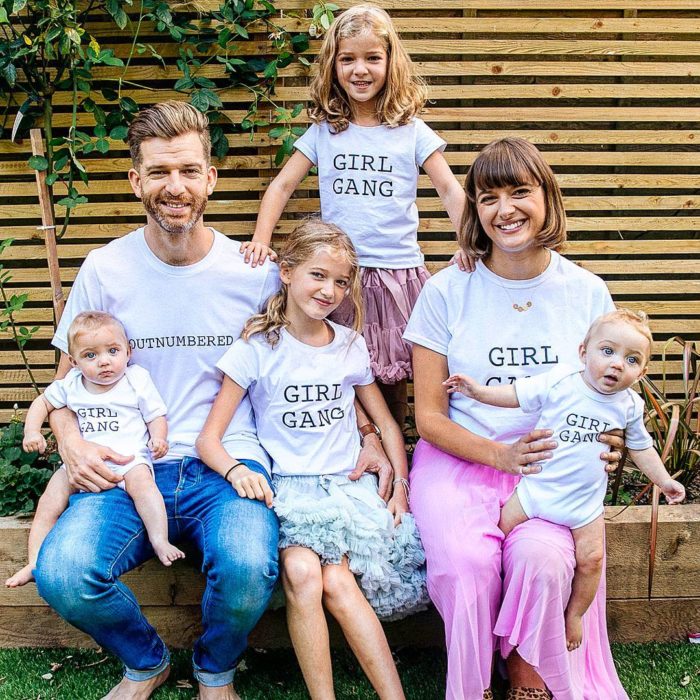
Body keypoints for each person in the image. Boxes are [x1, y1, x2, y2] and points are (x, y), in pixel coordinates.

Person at [31, 102, 388, 700]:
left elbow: (314, 357)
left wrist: (369, 434)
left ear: (211, 179)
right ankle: (146, 663)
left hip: (230, 466)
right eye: (161, 172)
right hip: (125, 470)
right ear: (136, 180)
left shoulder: (255, 272)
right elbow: (64, 381)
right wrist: (68, 440)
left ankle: (216, 670)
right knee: (64, 574)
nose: (176, 187)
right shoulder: (105, 269)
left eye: (190, 171)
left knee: (250, 567)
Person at [403, 136, 629, 700]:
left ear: (547, 198)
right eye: (488, 197)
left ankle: (530, 674)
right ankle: (475, 684)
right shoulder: (445, 291)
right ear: (474, 210)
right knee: (467, 564)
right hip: (459, 456)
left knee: (542, 556)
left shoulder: (586, 292)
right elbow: (429, 416)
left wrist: (612, 443)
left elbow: (607, 397)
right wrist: (500, 455)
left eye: (519, 192)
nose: (505, 209)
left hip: (552, 464)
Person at [198, 221, 427, 700]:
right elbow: (209, 440)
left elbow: (385, 423)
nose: (330, 291)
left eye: (341, 282)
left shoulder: (348, 345)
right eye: (318, 276)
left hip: (345, 487)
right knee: (302, 572)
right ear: (286, 272)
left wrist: (401, 484)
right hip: (291, 490)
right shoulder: (257, 348)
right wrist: (236, 471)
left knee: (338, 582)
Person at [241, 4, 465, 428]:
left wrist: (470, 244)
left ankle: (398, 451)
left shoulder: (411, 131)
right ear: (333, 66)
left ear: (390, 62)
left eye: (372, 58)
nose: (360, 70)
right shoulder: (326, 131)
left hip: (398, 274)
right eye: (348, 59)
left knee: (395, 372)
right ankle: (354, 446)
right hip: (342, 275)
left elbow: (450, 188)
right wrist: (261, 239)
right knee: (340, 364)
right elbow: (282, 185)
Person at [444, 308, 685, 653]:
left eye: (631, 360)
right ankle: (494, 603)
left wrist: (664, 481)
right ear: (583, 351)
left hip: (583, 506)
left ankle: (573, 616)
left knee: (592, 561)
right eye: (608, 351)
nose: (617, 364)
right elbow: (515, 395)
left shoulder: (629, 404)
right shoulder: (560, 381)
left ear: (642, 372)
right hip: (537, 491)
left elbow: (641, 447)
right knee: (496, 538)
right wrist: (477, 392)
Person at [7, 311, 183, 589]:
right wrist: (31, 431)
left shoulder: (135, 379)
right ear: (74, 362)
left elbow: (155, 415)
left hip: (128, 459)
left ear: (128, 351)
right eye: (90, 355)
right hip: (80, 463)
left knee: (145, 487)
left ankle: (159, 539)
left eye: (112, 351)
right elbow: (43, 403)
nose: (104, 361)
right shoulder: (71, 385)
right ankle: (34, 561)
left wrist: (158, 439)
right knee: (48, 503)